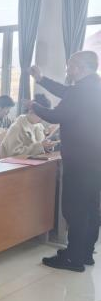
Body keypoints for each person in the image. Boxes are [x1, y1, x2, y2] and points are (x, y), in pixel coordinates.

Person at [30, 51, 101, 272]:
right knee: (91, 208)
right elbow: (66, 92)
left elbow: (57, 115)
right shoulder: (94, 86)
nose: (67, 70)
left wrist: (34, 106)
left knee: (74, 209)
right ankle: (85, 253)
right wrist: (41, 79)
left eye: (69, 66)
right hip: (95, 159)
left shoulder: (80, 91)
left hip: (79, 161)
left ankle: (73, 258)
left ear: (79, 67)